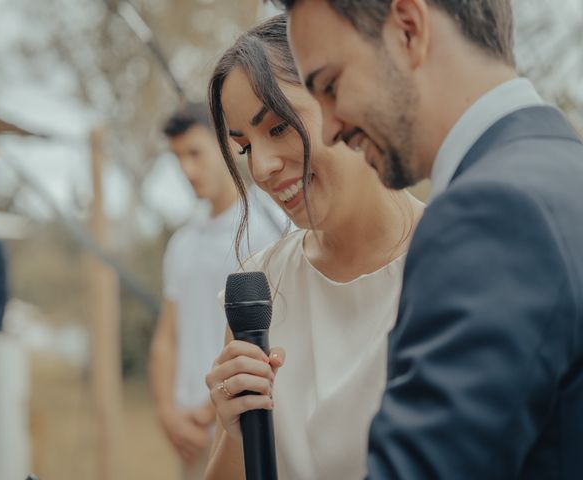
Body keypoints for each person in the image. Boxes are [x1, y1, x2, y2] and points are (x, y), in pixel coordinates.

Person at [278, 0, 583, 478]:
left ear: (407, 28)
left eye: (332, 86)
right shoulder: (566, 174)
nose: (331, 128)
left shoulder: (489, 215)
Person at [203, 16, 424, 480]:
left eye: (279, 128)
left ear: (342, 98)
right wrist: (235, 429)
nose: (261, 167)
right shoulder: (260, 290)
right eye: (244, 147)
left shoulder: (457, 258)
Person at [149, 103, 282, 480]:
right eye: (177, 158)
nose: (187, 170)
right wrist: (168, 414)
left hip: (247, 427)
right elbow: (166, 338)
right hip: (189, 436)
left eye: (195, 153)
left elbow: (276, 336)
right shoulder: (182, 242)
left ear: (226, 145)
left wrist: (213, 409)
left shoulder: (269, 224)